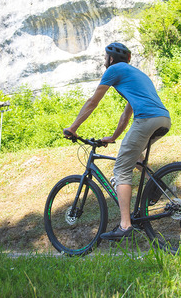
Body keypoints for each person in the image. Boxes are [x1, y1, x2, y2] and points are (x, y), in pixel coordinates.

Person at [64, 42, 171, 240]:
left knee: (121, 169)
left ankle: (125, 225)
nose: (105, 61)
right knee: (135, 156)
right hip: (163, 119)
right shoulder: (136, 75)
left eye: (106, 57)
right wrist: (113, 137)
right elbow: (126, 113)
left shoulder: (114, 69)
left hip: (146, 118)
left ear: (111, 59)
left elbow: (93, 102)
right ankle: (155, 184)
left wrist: (73, 128)